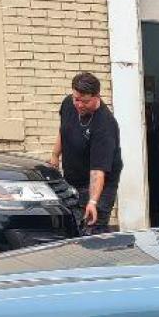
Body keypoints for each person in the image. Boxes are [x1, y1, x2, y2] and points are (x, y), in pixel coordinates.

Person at [50, 72, 122, 231]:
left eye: (85, 101)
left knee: (92, 230)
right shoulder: (69, 104)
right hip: (73, 179)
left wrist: (93, 202)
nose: (79, 105)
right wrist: (55, 156)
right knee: (74, 228)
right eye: (76, 99)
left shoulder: (105, 125)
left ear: (97, 96)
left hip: (100, 186)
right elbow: (64, 130)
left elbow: (98, 171)